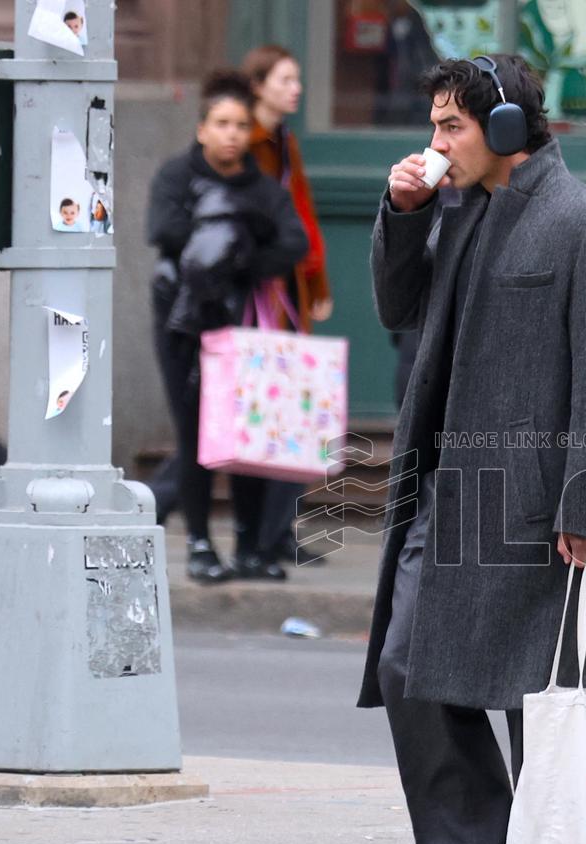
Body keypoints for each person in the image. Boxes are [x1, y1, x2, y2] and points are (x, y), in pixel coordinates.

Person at [361, 55, 586, 844]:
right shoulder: (458, 209)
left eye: (452, 127)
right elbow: (396, 308)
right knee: (408, 668)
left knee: (535, 694)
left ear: (510, 130)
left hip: (532, 500)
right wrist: (402, 213)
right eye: (436, 125)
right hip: (445, 490)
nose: (435, 144)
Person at [146, 69, 308, 583]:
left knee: (247, 437)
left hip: (244, 327)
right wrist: (238, 232)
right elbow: (164, 231)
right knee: (196, 437)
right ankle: (197, 543)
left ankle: (249, 546)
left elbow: (292, 244)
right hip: (184, 324)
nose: (232, 133)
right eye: (221, 123)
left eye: (240, 124)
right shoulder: (176, 176)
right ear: (202, 128)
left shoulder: (261, 187)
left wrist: (237, 253)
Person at [241, 44, 332, 566]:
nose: (295, 89)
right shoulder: (250, 142)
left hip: (287, 292)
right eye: (285, 80)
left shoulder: (283, 140)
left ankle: (278, 532)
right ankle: (262, 535)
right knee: (257, 414)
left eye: (297, 79)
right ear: (258, 86)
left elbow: (303, 213)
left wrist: (315, 283)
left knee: (291, 413)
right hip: (258, 296)